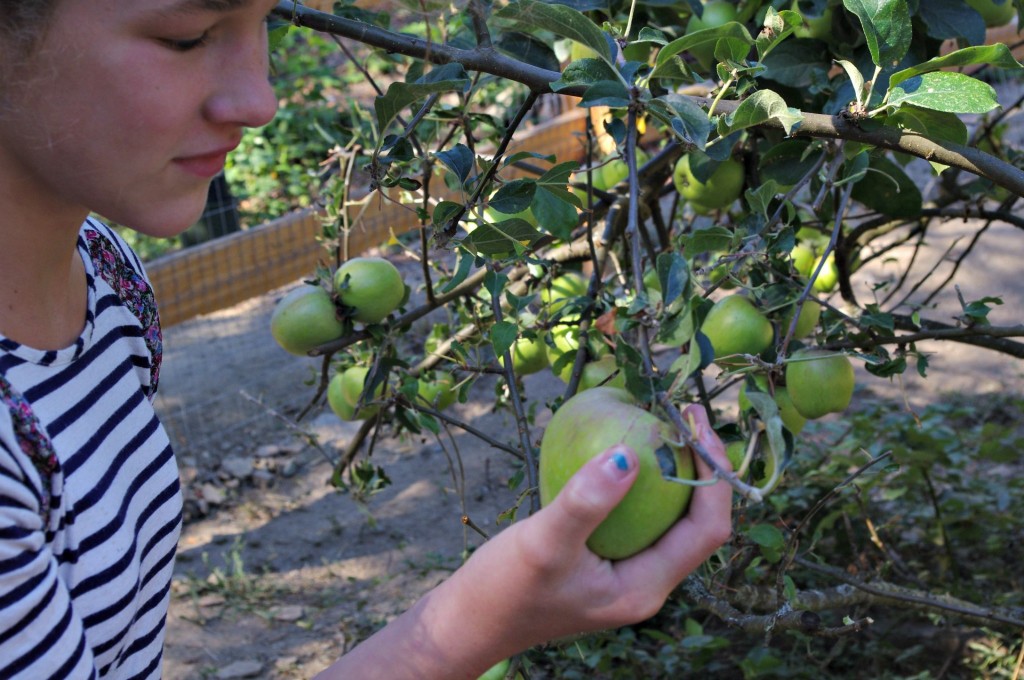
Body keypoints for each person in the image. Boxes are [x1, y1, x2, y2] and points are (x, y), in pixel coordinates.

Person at [0, 1, 734, 678]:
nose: (261, 101)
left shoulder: (103, 274)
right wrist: (484, 620)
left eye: (265, 23)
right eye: (187, 35)